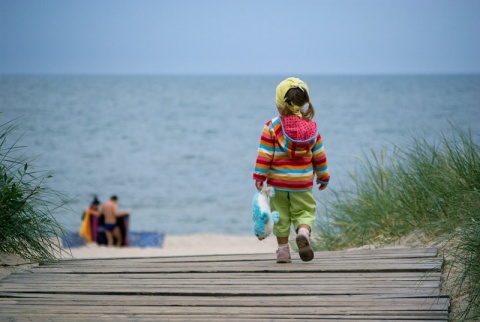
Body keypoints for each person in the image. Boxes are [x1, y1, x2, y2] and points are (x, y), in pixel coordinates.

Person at [252, 77, 330, 263]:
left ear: (280, 103)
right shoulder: (312, 129)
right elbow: (319, 155)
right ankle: (303, 232)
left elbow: (265, 153)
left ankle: (283, 251)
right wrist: (323, 176)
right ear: (303, 103)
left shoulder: (271, 126)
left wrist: (259, 175)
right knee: (304, 211)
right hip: (302, 183)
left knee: (280, 215)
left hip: (278, 183)